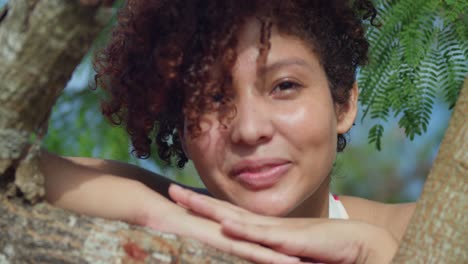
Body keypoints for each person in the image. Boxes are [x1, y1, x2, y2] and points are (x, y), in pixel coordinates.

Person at [40, 0, 416, 263]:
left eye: (284, 85)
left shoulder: (415, 230)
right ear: (181, 128)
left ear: (344, 104)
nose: (249, 130)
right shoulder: (175, 216)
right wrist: (153, 214)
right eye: (211, 97)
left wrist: (373, 251)